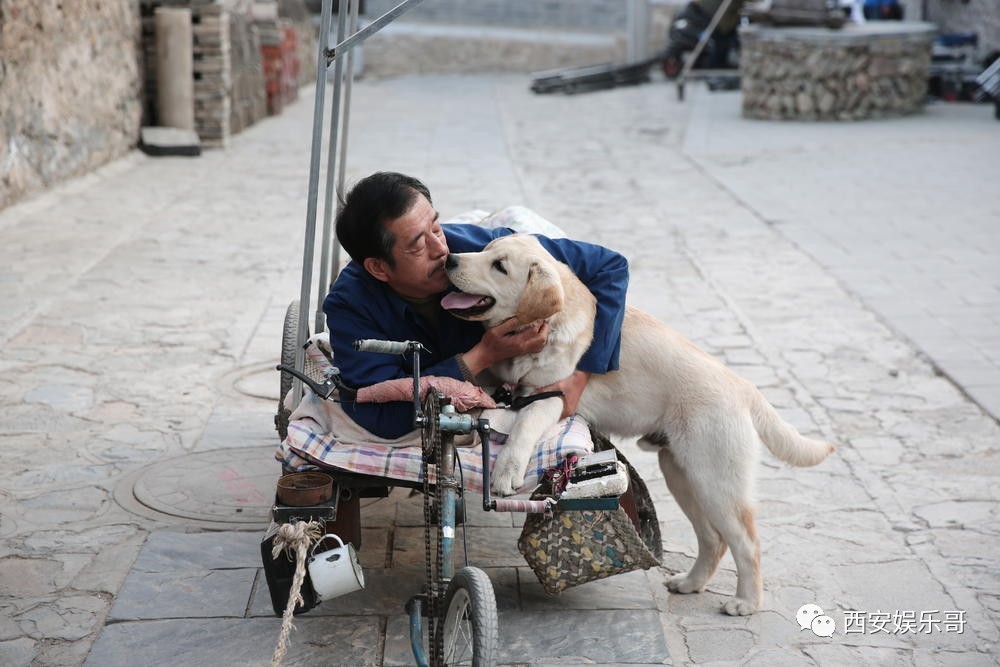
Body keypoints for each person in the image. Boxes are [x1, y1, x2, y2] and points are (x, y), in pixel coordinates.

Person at [323, 171, 629, 439]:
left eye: (436, 227)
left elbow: (609, 267)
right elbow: (381, 417)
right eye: (418, 246)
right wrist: (483, 356)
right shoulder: (350, 309)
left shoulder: (481, 251)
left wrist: (581, 374)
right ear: (379, 268)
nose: (441, 250)